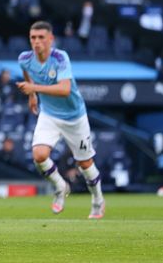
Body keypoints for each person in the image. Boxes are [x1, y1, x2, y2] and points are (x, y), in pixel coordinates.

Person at [16, 21, 105, 219]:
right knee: (39, 155)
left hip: (75, 117)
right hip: (49, 115)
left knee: (85, 164)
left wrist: (35, 90)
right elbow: (27, 74)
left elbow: (64, 90)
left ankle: (98, 200)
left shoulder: (60, 58)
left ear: (50, 39)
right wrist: (32, 96)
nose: (37, 42)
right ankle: (60, 186)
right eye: (33, 38)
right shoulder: (24, 58)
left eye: (41, 37)